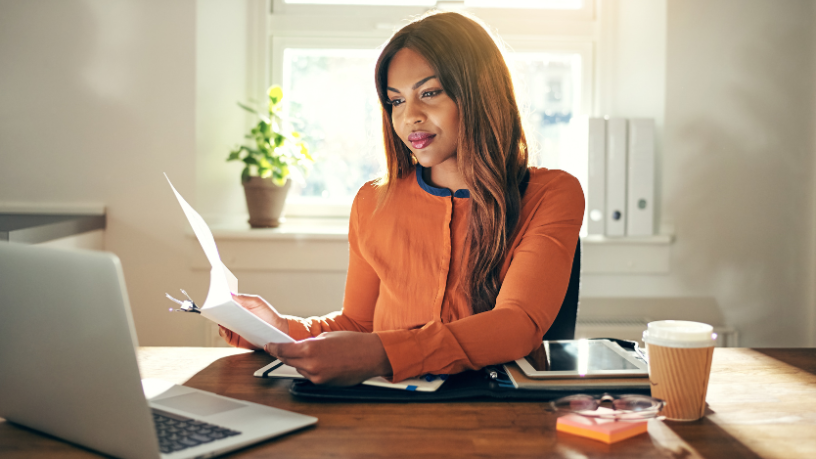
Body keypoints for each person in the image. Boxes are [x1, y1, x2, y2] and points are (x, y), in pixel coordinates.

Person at [219, 11, 584, 386]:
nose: (410, 117)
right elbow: (359, 325)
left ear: (480, 91)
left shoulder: (552, 193)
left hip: (498, 414)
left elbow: (517, 324)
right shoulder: (372, 201)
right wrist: (280, 329)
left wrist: (381, 354)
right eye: (396, 101)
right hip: (388, 412)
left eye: (429, 93)